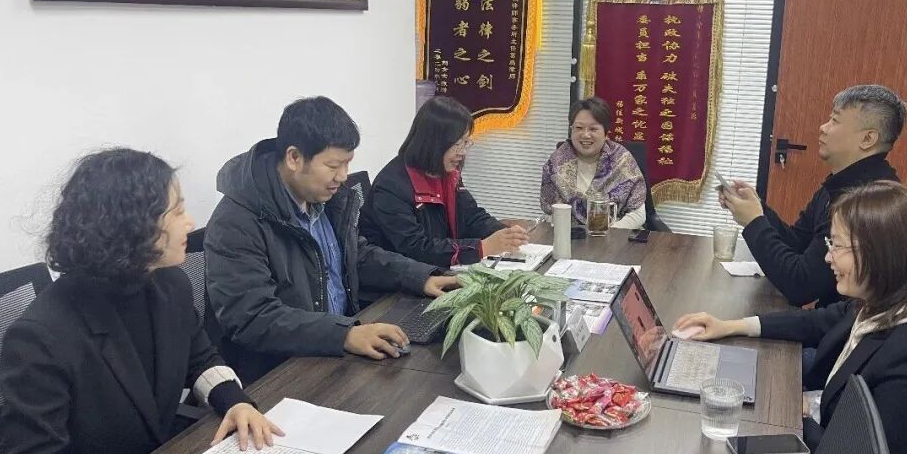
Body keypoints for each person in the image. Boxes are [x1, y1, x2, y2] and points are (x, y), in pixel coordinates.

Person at [0, 149, 280, 454]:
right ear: (132, 227)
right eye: (177, 211)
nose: (190, 222)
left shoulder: (169, 283)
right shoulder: (41, 335)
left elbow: (199, 357)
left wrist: (235, 401)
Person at [675, 181, 907, 454]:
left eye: (837, 246)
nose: (827, 257)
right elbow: (822, 320)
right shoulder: (898, 299)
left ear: (883, 254)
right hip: (831, 451)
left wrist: (786, 410)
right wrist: (733, 326)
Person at [204, 96, 459, 385]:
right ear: (294, 158)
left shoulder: (323, 198)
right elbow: (253, 317)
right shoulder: (236, 222)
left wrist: (421, 277)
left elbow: (356, 255)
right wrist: (344, 333)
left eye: (347, 164)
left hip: (334, 350)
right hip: (279, 372)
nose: (343, 176)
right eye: (333, 165)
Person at [722, 84, 906, 308]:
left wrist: (753, 222)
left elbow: (800, 286)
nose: (823, 128)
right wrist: (758, 209)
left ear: (867, 139)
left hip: (845, 327)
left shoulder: (868, 200)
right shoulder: (839, 183)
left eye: (835, 121)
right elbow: (797, 244)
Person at [359, 97, 529, 268]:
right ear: (432, 143)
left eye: (465, 142)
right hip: (403, 278)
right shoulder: (391, 188)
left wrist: (504, 233)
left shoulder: (446, 173)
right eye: (457, 144)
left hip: (441, 268)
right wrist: (482, 247)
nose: (462, 152)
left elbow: (471, 216)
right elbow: (417, 248)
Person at [540, 97, 647, 228]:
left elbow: (638, 214)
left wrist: (607, 234)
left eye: (593, 129)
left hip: (616, 233)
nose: (585, 135)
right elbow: (549, 212)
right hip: (571, 234)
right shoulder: (556, 162)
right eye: (579, 128)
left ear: (606, 133)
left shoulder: (622, 160)